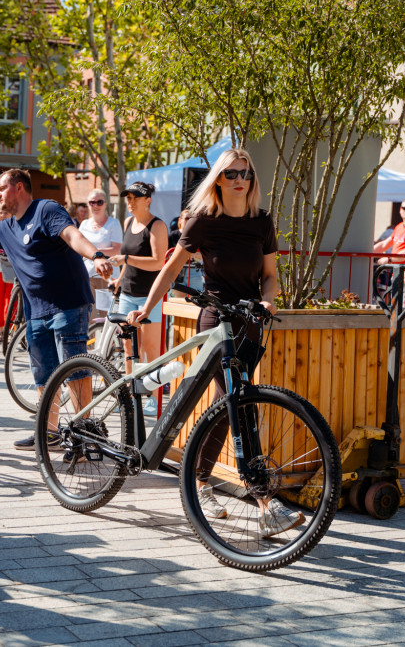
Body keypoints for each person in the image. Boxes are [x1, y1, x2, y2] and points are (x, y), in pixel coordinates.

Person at [125, 148, 301, 539]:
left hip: (251, 320)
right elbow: (170, 269)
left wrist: (268, 299)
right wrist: (146, 310)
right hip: (216, 318)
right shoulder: (204, 221)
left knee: (232, 404)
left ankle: (202, 480)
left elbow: (270, 275)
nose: (241, 179)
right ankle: (261, 500)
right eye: (233, 173)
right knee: (236, 404)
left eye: (247, 173)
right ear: (219, 179)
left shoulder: (261, 221)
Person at [0, 169, 112, 449]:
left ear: (19, 188)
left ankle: (82, 436)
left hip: (68, 304)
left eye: (2, 188)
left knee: (75, 369)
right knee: (44, 373)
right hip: (36, 312)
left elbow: (71, 235)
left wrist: (96, 254)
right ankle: (51, 431)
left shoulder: (45, 209)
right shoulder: (5, 229)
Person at [108, 182, 168, 415]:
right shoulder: (128, 222)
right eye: (128, 198)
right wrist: (119, 279)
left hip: (150, 296)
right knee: (129, 347)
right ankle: (130, 396)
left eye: (135, 198)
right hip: (128, 293)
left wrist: (126, 259)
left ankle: (155, 397)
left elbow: (158, 262)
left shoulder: (157, 225)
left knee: (151, 349)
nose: (130, 202)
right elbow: (127, 259)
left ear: (148, 200)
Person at [78, 189, 123, 297]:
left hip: (107, 276)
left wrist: (91, 251)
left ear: (105, 204)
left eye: (100, 202)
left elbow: (116, 250)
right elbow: (78, 248)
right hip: (86, 276)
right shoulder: (84, 224)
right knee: (89, 313)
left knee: (104, 313)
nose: (95, 206)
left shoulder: (114, 223)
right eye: (92, 202)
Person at [0, 202, 15, 343]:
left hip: (12, 270)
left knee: (11, 301)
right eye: (0, 212)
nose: (2, 215)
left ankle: (10, 329)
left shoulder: (14, 229)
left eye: (5, 212)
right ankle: (1, 330)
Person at [374, 198, 405, 263]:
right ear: (400, 210)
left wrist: (388, 259)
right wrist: (367, 252)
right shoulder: (399, 226)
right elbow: (384, 244)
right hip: (396, 269)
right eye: (404, 208)